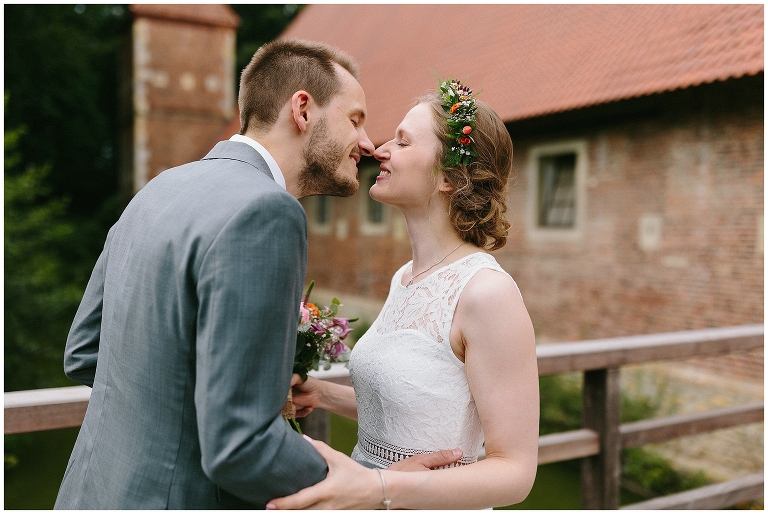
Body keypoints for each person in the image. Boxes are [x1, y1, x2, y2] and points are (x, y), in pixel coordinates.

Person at [54, 38, 408, 509]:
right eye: (355, 120)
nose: (367, 143)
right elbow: (239, 446)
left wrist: (204, 395)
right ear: (302, 110)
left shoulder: (161, 187)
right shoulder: (268, 212)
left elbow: (84, 352)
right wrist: (370, 487)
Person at [269, 79, 540, 510]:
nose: (380, 150)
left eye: (403, 141)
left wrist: (379, 488)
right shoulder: (405, 278)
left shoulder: (488, 294)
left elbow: (515, 472)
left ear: (449, 177)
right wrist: (322, 393)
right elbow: (421, 410)